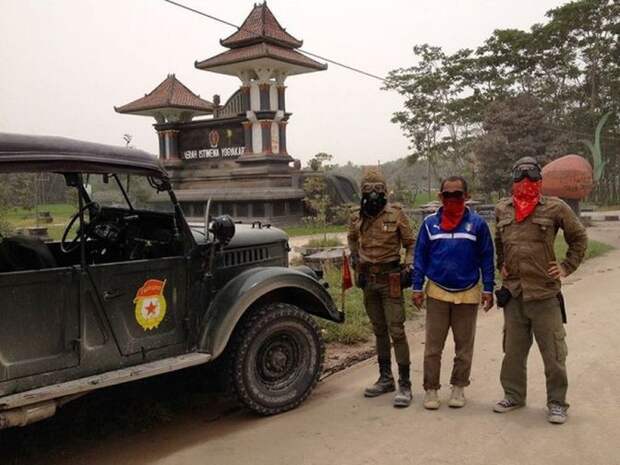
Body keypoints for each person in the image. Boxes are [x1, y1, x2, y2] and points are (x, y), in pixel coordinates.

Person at [494, 157, 588, 424]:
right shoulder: (502, 208)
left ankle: (557, 403)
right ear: (513, 179)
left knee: (554, 354)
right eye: (520, 175)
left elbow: (579, 237)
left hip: (544, 294)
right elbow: (499, 241)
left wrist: (566, 266)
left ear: (540, 179)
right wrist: (501, 265)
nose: (526, 181)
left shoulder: (555, 207)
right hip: (514, 294)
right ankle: (513, 395)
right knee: (512, 352)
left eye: (531, 175)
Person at [412, 176, 495, 410]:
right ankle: (431, 389)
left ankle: (459, 387)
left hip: (468, 293)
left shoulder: (477, 224)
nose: (452, 198)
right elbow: (420, 257)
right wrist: (416, 287)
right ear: (440, 197)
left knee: (464, 347)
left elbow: (487, 258)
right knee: (433, 347)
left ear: (466, 196)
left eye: (457, 194)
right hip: (437, 292)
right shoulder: (429, 224)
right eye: (447, 195)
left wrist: (488, 288)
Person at [347, 168, 415, 407]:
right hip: (369, 280)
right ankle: (385, 378)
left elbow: (410, 243)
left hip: (390, 279)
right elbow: (352, 238)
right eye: (368, 189)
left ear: (385, 191)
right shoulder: (356, 216)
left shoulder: (396, 214)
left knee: (396, 330)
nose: (373, 194)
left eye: (378, 189)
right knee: (379, 330)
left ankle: (405, 384)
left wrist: (409, 265)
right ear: (362, 191)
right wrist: (355, 260)